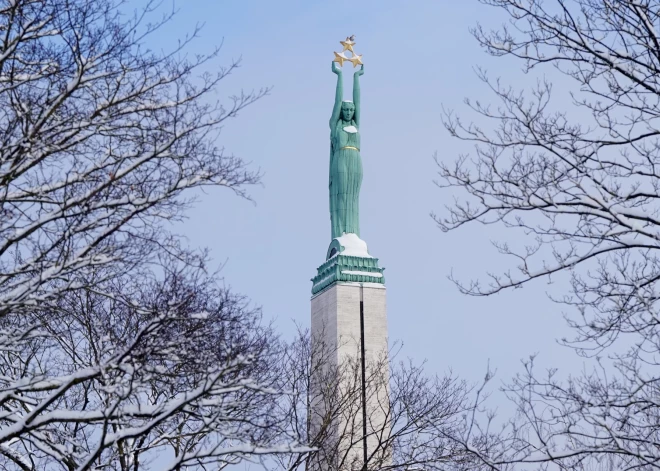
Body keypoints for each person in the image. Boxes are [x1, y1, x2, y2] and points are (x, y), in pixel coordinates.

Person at [329, 61, 365, 240]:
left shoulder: (356, 125)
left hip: (356, 160)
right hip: (341, 160)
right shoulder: (336, 126)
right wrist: (340, 75)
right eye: (346, 109)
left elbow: (358, 99)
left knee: (353, 199)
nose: (350, 112)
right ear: (342, 111)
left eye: (352, 109)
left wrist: (357, 77)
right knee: (342, 196)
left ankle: (353, 233)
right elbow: (337, 101)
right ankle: (341, 232)